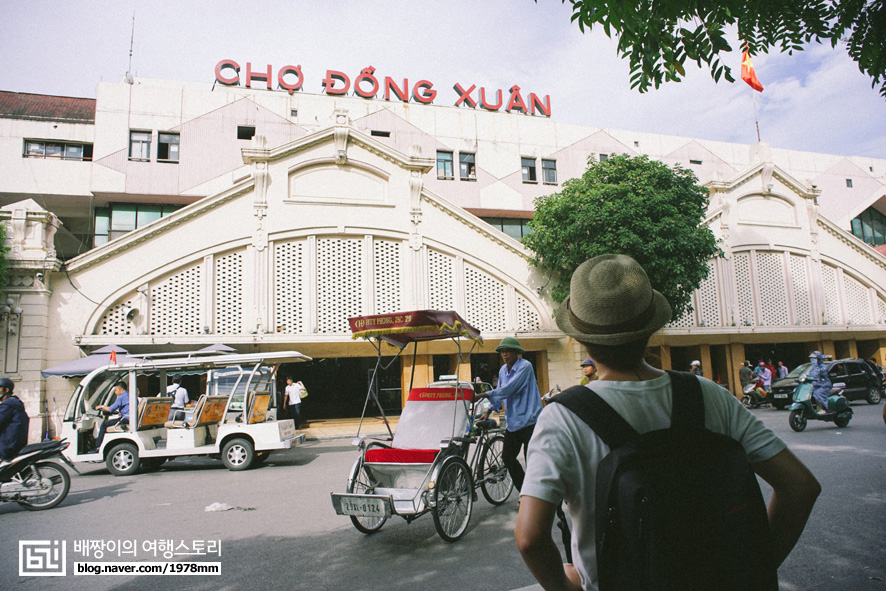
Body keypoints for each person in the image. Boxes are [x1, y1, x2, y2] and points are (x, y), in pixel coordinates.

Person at [515, 254, 820, 591]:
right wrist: (751, 566)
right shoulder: (708, 394)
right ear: (651, 330)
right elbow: (800, 486)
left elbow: (529, 538)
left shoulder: (562, 417)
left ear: (580, 338)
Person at [476, 337, 542, 492]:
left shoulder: (525, 366)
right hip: (513, 423)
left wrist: (483, 395)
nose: (504, 355)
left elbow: (510, 389)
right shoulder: (502, 370)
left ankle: (542, 496)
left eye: (508, 351)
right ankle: (525, 491)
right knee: (507, 457)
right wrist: (489, 410)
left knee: (532, 461)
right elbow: (501, 392)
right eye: (502, 352)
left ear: (516, 352)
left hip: (530, 421)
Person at [93, 381, 131, 451]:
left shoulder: (121, 397)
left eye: (116, 390)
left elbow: (110, 409)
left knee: (104, 425)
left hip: (125, 418)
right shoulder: (130, 395)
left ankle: (98, 446)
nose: (115, 392)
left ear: (121, 389)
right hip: (130, 417)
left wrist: (101, 407)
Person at [0, 377, 29, 461]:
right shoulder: (15, 404)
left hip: (7, 446)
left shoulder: (7, 406)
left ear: (6, 390)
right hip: (16, 444)